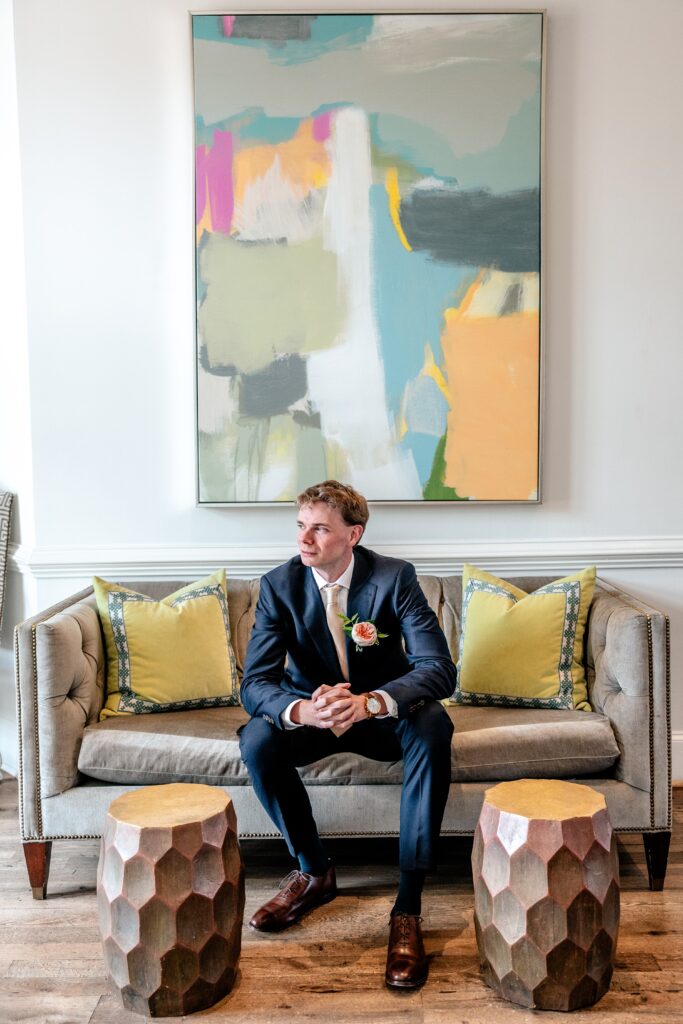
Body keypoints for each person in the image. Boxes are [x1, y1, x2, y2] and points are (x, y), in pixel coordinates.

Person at [239, 480, 456, 989]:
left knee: (432, 725)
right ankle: (314, 872)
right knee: (256, 738)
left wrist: (369, 703)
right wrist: (300, 710)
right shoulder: (278, 586)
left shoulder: (395, 578)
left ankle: (407, 906)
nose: (304, 539)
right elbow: (256, 684)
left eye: (319, 528)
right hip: (315, 717)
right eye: (300, 526)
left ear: (352, 534)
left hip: (379, 718)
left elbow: (439, 668)